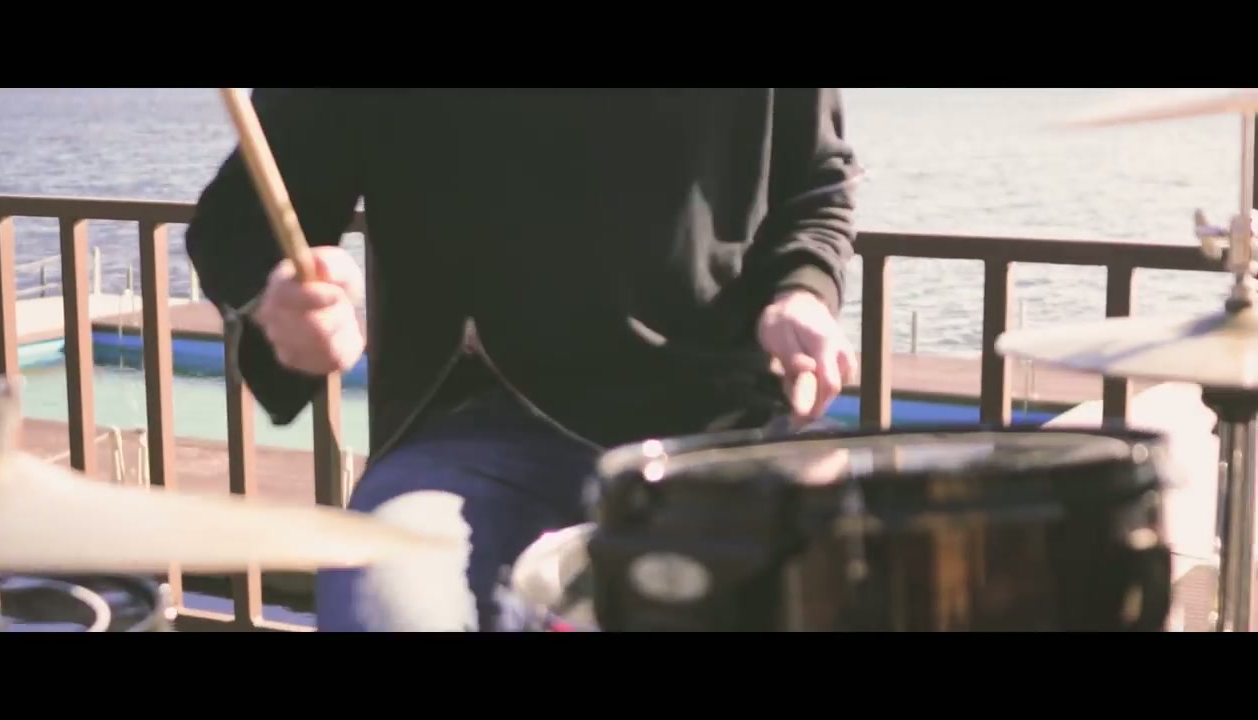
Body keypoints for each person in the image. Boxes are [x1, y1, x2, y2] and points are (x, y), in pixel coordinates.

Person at [184, 88, 862, 632]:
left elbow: (817, 186)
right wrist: (280, 300)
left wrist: (802, 291)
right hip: (479, 428)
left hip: (719, 431)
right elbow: (241, 222)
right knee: (384, 595)